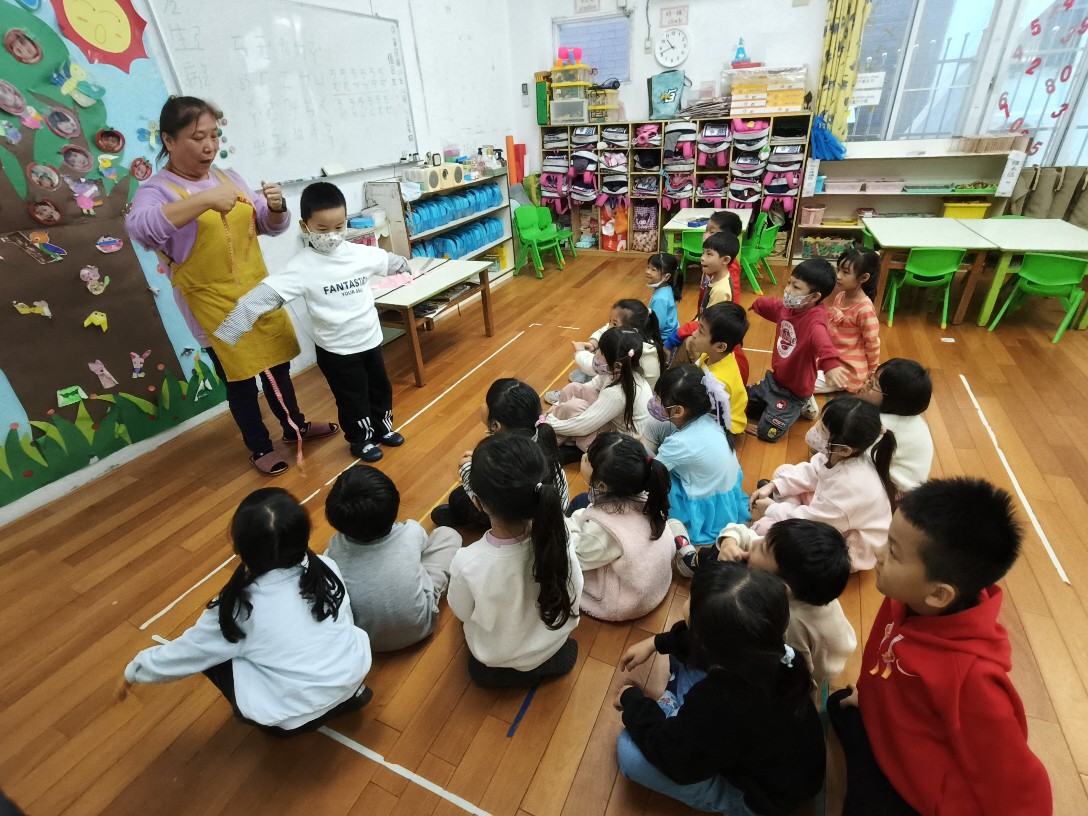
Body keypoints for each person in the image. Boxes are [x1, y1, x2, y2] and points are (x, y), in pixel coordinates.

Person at [126, 96, 336, 476]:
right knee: (240, 381)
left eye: (214, 136)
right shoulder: (156, 191)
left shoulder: (230, 177)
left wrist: (276, 208)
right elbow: (140, 230)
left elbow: (267, 225)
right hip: (214, 306)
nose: (209, 146)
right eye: (197, 138)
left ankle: (295, 428)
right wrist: (204, 199)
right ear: (169, 141)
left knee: (277, 367)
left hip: (257, 295)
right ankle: (259, 447)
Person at [827, 478, 1052, 816]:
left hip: (919, 788)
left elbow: (1021, 784)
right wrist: (870, 698)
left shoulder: (973, 679)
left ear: (938, 593)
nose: (878, 554)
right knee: (838, 705)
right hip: (889, 732)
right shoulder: (908, 597)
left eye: (893, 552)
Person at [119, 488, 372, 735]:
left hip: (295, 718)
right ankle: (346, 698)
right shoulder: (326, 567)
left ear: (239, 547)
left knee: (217, 647)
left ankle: (301, 714)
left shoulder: (239, 610)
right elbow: (344, 622)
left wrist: (135, 670)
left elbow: (185, 654)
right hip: (352, 679)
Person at [215, 180, 406, 463]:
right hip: (337, 351)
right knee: (352, 398)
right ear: (305, 227)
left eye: (339, 227)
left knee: (381, 389)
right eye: (322, 229)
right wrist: (229, 331)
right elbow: (264, 296)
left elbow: (389, 261)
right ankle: (361, 440)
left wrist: (408, 266)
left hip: (370, 341)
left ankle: (382, 429)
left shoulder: (359, 254)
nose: (332, 235)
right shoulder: (302, 266)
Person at [615, 561, 826, 815]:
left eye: (691, 600)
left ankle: (674, 712)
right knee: (679, 652)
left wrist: (632, 701)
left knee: (628, 752)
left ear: (708, 643)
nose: (686, 602)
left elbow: (678, 761)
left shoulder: (722, 703)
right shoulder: (773, 652)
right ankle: (677, 714)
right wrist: (655, 643)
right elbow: (693, 643)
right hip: (780, 757)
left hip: (763, 798)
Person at [448, 433, 582, 688]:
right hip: (553, 642)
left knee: (479, 669)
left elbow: (462, 612)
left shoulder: (468, 562)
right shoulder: (561, 533)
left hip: (500, 656)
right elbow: (577, 586)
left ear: (477, 502)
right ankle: (548, 660)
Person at [678, 519, 856, 687]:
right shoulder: (805, 582)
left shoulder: (791, 627)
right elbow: (741, 531)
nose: (754, 542)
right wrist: (728, 543)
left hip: (818, 668)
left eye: (763, 548)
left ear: (781, 587)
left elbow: (799, 673)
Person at [750, 397, 895, 571]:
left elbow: (813, 522)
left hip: (847, 550)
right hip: (833, 516)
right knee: (784, 472)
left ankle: (776, 512)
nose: (815, 430)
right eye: (820, 422)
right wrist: (774, 486)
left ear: (844, 449)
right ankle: (780, 507)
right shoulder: (841, 453)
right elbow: (813, 471)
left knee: (764, 530)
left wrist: (772, 509)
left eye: (823, 430)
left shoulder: (850, 486)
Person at [324, 466, 460, 652]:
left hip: (366, 639)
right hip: (421, 625)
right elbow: (422, 547)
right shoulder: (411, 531)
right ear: (394, 503)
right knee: (448, 535)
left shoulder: (334, 548)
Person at [432, 378, 569, 528]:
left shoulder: (504, 456)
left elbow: (487, 492)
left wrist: (467, 469)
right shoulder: (540, 435)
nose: (483, 405)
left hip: (520, 519)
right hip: (552, 510)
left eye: (487, 402)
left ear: (496, 425)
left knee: (458, 498)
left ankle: (474, 522)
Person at [567, 433, 674, 621]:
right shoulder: (646, 493)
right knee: (581, 501)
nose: (582, 457)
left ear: (602, 486)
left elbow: (575, 559)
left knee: (560, 557)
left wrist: (570, 524)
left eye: (588, 460)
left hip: (627, 599)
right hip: (651, 576)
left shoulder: (604, 531)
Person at [746, 258, 849, 442]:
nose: (787, 290)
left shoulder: (815, 321)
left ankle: (803, 404)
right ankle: (790, 405)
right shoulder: (790, 307)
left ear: (814, 297)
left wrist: (830, 364)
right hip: (775, 380)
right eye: (789, 283)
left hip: (795, 392)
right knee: (740, 401)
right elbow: (776, 307)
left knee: (766, 433)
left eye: (796, 287)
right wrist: (758, 304)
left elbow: (823, 341)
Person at [644, 365, 749, 545]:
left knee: (646, 467)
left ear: (678, 411)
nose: (656, 402)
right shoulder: (712, 419)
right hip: (723, 495)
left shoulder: (679, 443)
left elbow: (650, 474)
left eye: (660, 400)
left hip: (702, 509)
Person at [546, 326, 654, 460]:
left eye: (601, 351)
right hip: (614, 422)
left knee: (572, 408)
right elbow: (590, 386)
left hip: (622, 445)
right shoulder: (618, 372)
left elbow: (583, 426)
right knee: (572, 388)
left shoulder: (617, 392)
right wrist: (556, 405)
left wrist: (550, 423)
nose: (596, 354)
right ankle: (562, 433)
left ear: (617, 365)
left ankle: (548, 441)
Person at [667, 231, 747, 378]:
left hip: (711, 340)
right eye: (703, 252)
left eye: (709, 254)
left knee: (687, 344)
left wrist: (678, 336)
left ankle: (673, 378)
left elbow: (710, 323)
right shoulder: (715, 278)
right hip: (707, 331)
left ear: (725, 260)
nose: (702, 258)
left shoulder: (720, 290)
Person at [857, 358, 934, 495]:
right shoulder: (909, 418)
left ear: (892, 400)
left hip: (894, 494)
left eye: (873, 384)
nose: (866, 383)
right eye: (871, 377)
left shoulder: (880, 425)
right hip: (908, 491)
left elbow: (852, 457)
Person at [813, 247, 881, 396]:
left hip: (846, 369)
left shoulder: (865, 309)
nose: (838, 276)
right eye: (838, 269)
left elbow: (872, 344)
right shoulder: (841, 296)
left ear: (864, 278)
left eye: (845, 272)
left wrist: (871, 373)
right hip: (830, 359)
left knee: (800, 381)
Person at [560, 299, 665, 393]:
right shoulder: (640, 336)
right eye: (610, 320)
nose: (609, 326)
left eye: (614, 324)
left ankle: (570, 393)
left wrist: (580, 352)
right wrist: (593, 343)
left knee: (589, 375)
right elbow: (605, 329)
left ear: (632, 329)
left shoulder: (631, 349)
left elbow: (593, 366)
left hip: (626, 399)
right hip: (627, 390)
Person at [687, 302, 748, 435]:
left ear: (720, 346)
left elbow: (703, 409)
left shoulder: (717, 382)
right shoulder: (716, 355)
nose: (694, 334)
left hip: (725, 426)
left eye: (701, 331)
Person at [645, 253, 681, 341]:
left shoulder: (660, 298)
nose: (647, 271)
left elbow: (658, 325)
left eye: (653, 269)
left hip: (663, 339)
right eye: (648, 267)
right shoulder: (667, 288)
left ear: (666, 276)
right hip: (672, 333)